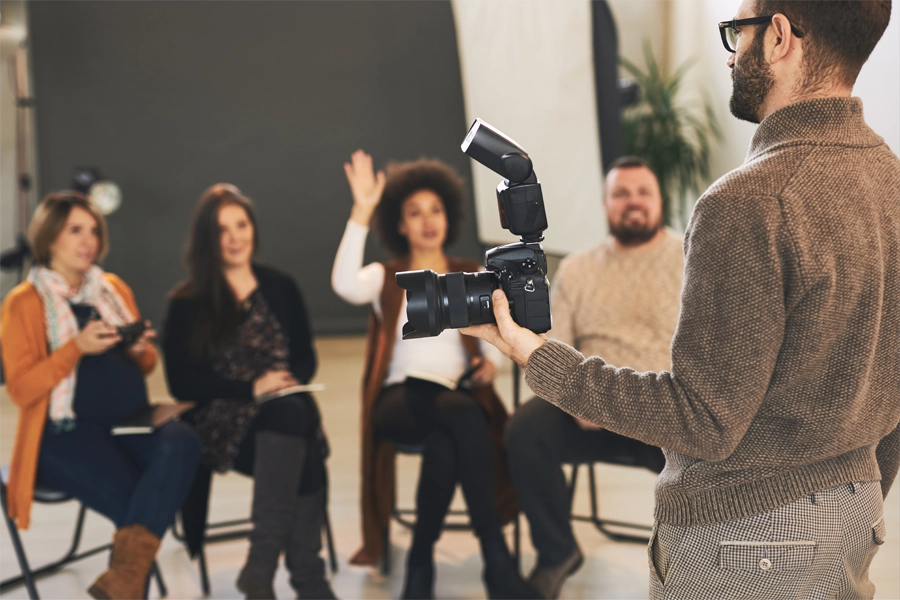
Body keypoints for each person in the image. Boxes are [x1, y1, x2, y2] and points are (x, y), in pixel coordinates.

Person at [463, 1, 900, 598]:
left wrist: (538, 358)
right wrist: (865, 486)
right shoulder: (890, 179)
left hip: (747, 537)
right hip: (855, 510)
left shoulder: (748, 203)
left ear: (778, 38)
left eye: (737, 31)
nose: (730, 51)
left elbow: (703, 421)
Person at [332, 151, 540, 600]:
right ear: (399, 224)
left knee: (451, 438)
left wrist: (492, 363)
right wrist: (362, 211)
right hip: (399, 401)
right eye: (414, 212)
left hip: (456, 400)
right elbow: (343, 284)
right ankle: (496, 564)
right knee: (465, 420)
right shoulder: (385, 277)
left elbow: (500, 335)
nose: (427, 220)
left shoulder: (472, 272)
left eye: (435, 210)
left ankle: (421, 565)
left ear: (448, 217)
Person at [0, 191, 201, 600]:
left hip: (131, 421)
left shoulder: (111, 288)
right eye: (75, 230)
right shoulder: (24, 302)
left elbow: (146, 366)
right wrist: (76, 349)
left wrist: (139, 350)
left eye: (93, 231)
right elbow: (21, 390)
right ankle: (128, 586)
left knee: (184, 441)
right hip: (63, 435)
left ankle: (121, 585)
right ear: (49, 237)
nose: (87, 241)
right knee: (142, 501)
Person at [506, 156, 682, 599]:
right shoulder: (579, 269)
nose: (633, 202)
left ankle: (688, 568)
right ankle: (556, 552)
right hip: (587, 408)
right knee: (524, 432)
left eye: (643, 192)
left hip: (660, 412)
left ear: (660, 200)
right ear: (606, 205)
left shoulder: (689, 259)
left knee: (710, 455)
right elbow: (549, 346)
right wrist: (577, 399)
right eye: (621, 194)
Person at [162, 184, 336, 600]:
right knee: (305, 444)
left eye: (241, 225)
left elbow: (305, 356)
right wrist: (251, 387)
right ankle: (306, 578)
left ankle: (261, 571)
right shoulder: (187, 302)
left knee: (294, 418)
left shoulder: (280, 285)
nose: (236, 237)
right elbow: (182, 383)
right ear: (207, 238)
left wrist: (288, 379)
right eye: (223, 230)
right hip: (220, 421)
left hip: (281, 411)